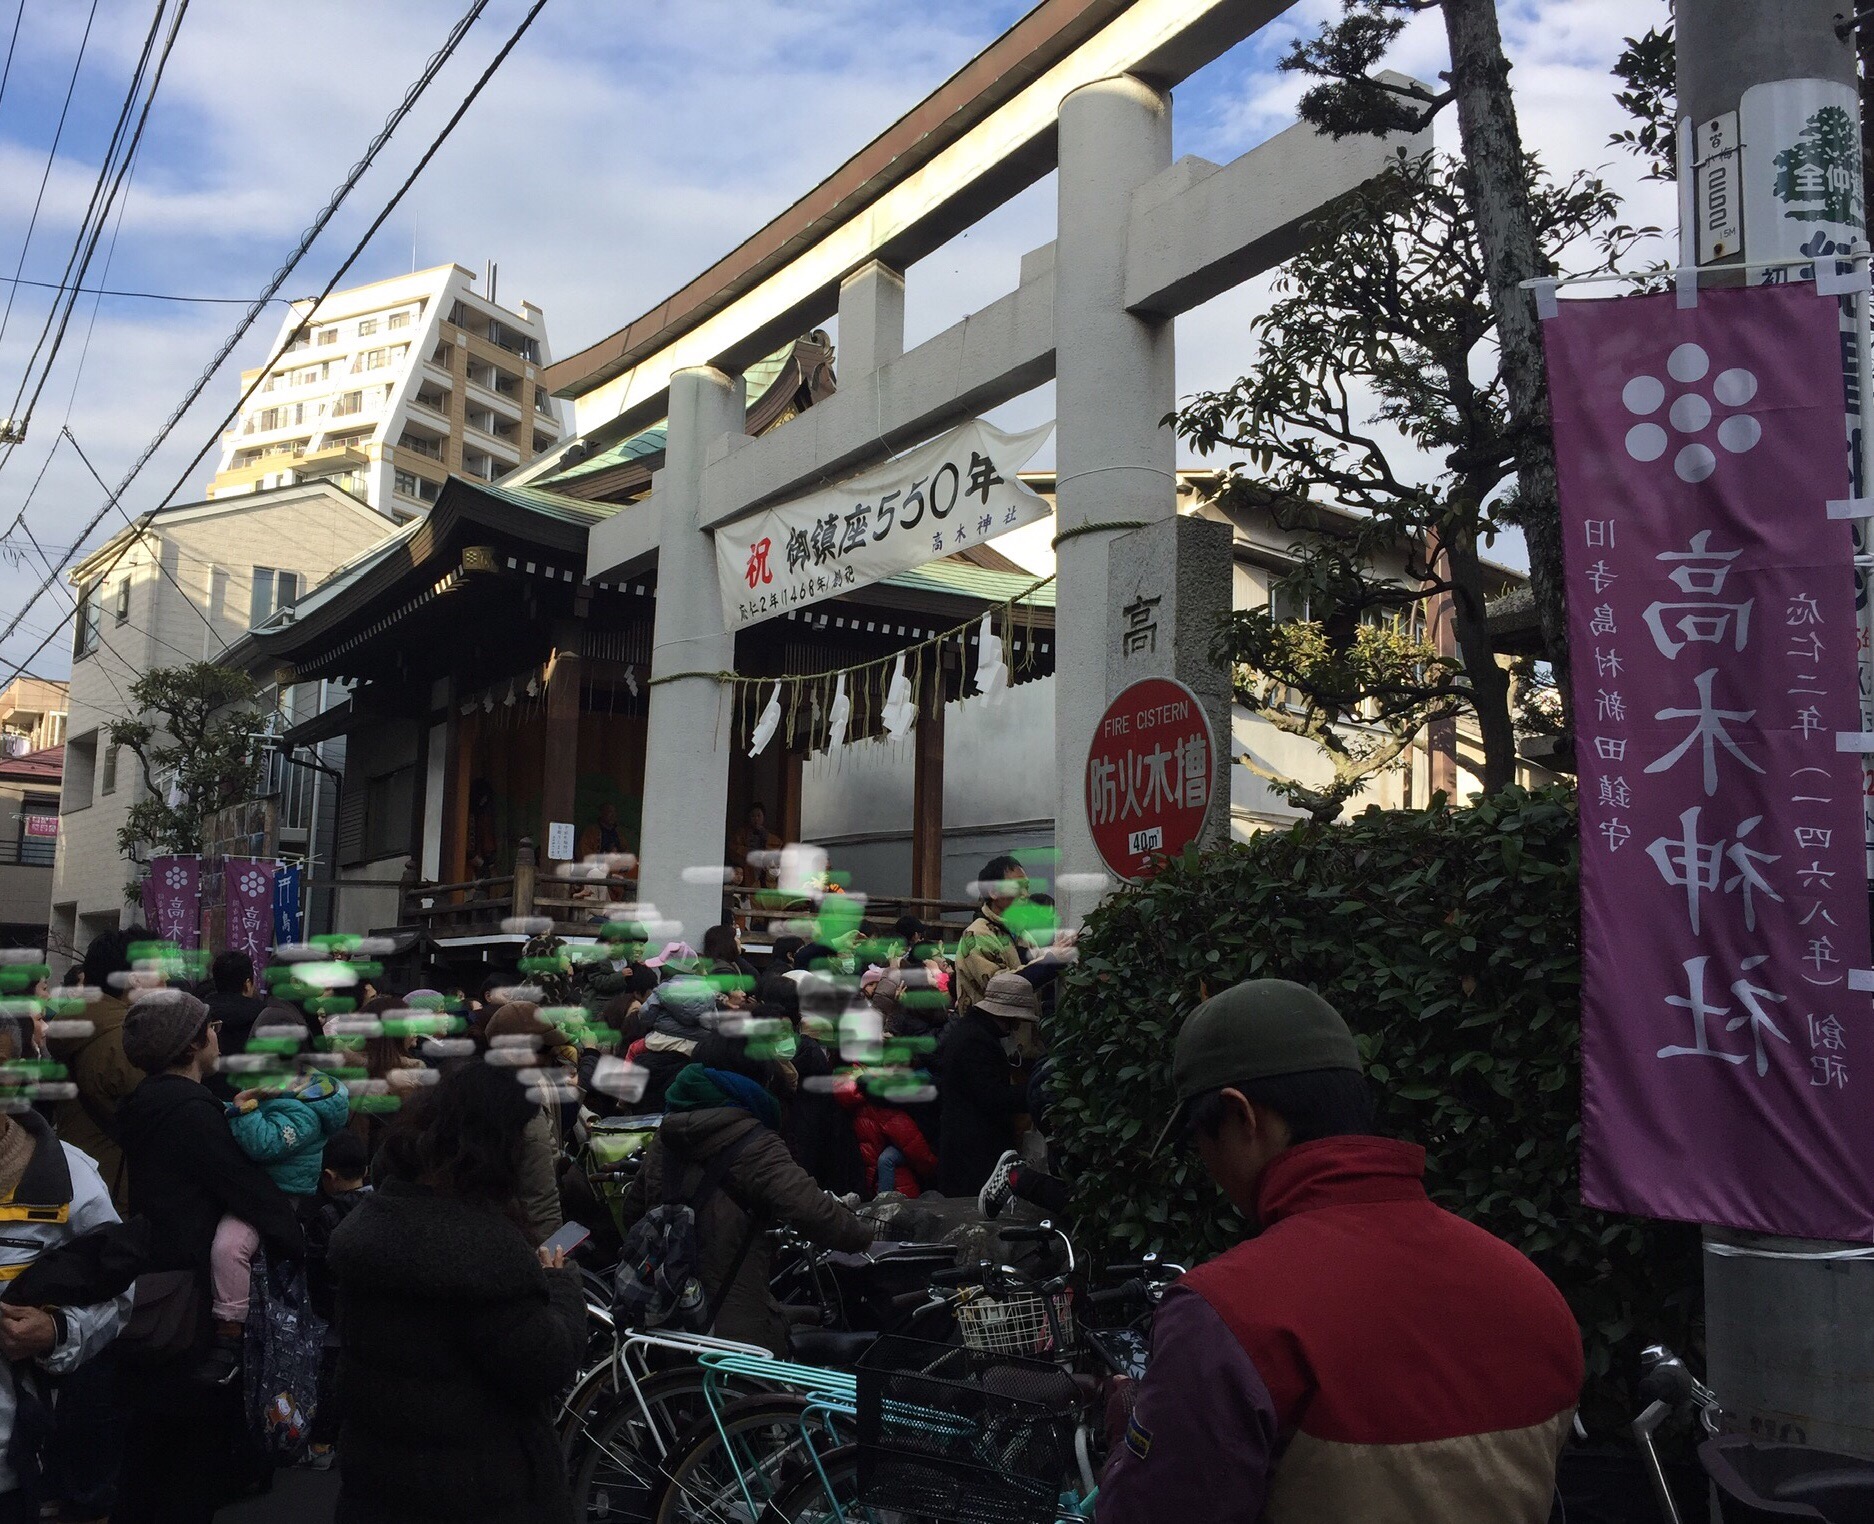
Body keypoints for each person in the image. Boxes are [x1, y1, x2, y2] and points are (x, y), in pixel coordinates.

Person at [1095, 979, 1583, 1524]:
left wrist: (1131, 1437)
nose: (1206, 1166)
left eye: (1198, 1140)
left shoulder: (1228, 1314)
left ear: (1242, 1116)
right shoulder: (1534, 1294)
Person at [330, 1061, 584, 1523]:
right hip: (481, 1488)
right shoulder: (482, 1256)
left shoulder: (375, 1224)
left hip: (382, 1483)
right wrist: (561, 1283)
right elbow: (545, 1362)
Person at [113, 990, 306, 1523]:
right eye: (211, 1027)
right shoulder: (194, 1113)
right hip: (194, 1294)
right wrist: (297, 1235)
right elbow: (244, 1191)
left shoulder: (145, 1102)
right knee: (187, 1461)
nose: (218, 1034)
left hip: (152, 1285)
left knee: (146, 1453)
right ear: (193, 1042)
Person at [618, 1033, 873, 1354]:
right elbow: (813, 1210)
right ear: (756, 1077)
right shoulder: (754, 1142)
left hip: (669, 1309)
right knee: (758, 1397)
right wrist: (862, 1235)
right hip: (734, 1321)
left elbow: (633, 1212)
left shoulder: (666, 1136)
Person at [200, 1055, 352, 1384]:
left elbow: (264, 1144)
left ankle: (230, 1330)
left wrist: (242, 1107)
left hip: (277, 1196)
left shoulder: (304, 1114)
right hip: (262, 1189)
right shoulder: (291, 1101)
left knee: (229, 1247)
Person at [48, 927, 150, 1211]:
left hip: (78, 1170)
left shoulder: (79, 1023)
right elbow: (156, 1116)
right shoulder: (123, 1041)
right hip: (113, 1186)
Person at [301, 1130, 371, 1472]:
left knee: (329, 1380)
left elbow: (318, 1272)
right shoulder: (380, 1209)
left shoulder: (324, 1217)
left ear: (327, 1176)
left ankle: (321, 1444)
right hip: (372, 1316)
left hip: (332, 1320)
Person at [934, 971, 1036, 1198]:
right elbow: (992, 1096)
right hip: (973, 1151)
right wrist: (1033, 1094)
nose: (1018, 1026)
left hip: (968, 1146)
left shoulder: (972, 1031)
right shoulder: (976, 1040)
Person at [482, 1003, 569, 1246]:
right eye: (544, 1048)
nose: (553, 1054)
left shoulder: (474, 1089)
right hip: (519, 1236)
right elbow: (540, 1198)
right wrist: (555, 1261)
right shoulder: (524, 1103)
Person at [955, 855, 1028, 1014]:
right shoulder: (977, 935)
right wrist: (1049, 963)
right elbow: (1003, 988)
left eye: (1026, 887)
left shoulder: (1023, 934)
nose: (1025, 895)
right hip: (991, 1037)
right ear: (994, 892)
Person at [203, 950, 267, 1083]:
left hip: (205, 1092)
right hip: (251, 1097)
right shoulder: (264, 1015)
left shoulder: (199, 1013)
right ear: (248, 984)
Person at [728, 801, 775, 885]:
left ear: (763, 817)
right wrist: (748, 852)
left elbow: (776, 849)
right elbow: (733, 848)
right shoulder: (741, 833)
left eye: (758, 816)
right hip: (748, 870)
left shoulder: (768, 835)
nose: (756, 819)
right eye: (753, 816)